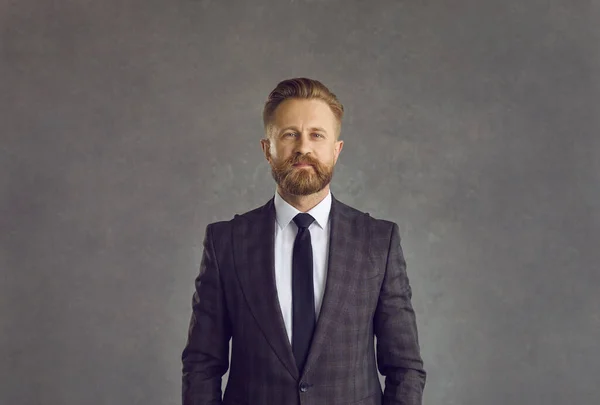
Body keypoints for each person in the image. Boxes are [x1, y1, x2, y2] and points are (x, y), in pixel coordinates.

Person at [181, 77, 426, 405]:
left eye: (317, 135)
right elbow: (201, 365)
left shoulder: (378, 242)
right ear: (268, 149)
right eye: (289, 134)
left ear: (336, 150)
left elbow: (405, 368)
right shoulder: (225, 243)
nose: (303, 148)